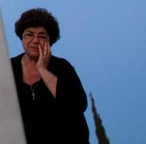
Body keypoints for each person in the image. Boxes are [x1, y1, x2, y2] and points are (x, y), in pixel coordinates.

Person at [10, 8, 90, 143]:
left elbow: (78, 105)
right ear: (21, 37)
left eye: (42, 36)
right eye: (29, 34)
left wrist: (43, 69)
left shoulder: (62, 67)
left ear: (50, 41)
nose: (35, 40)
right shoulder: (9, 68)